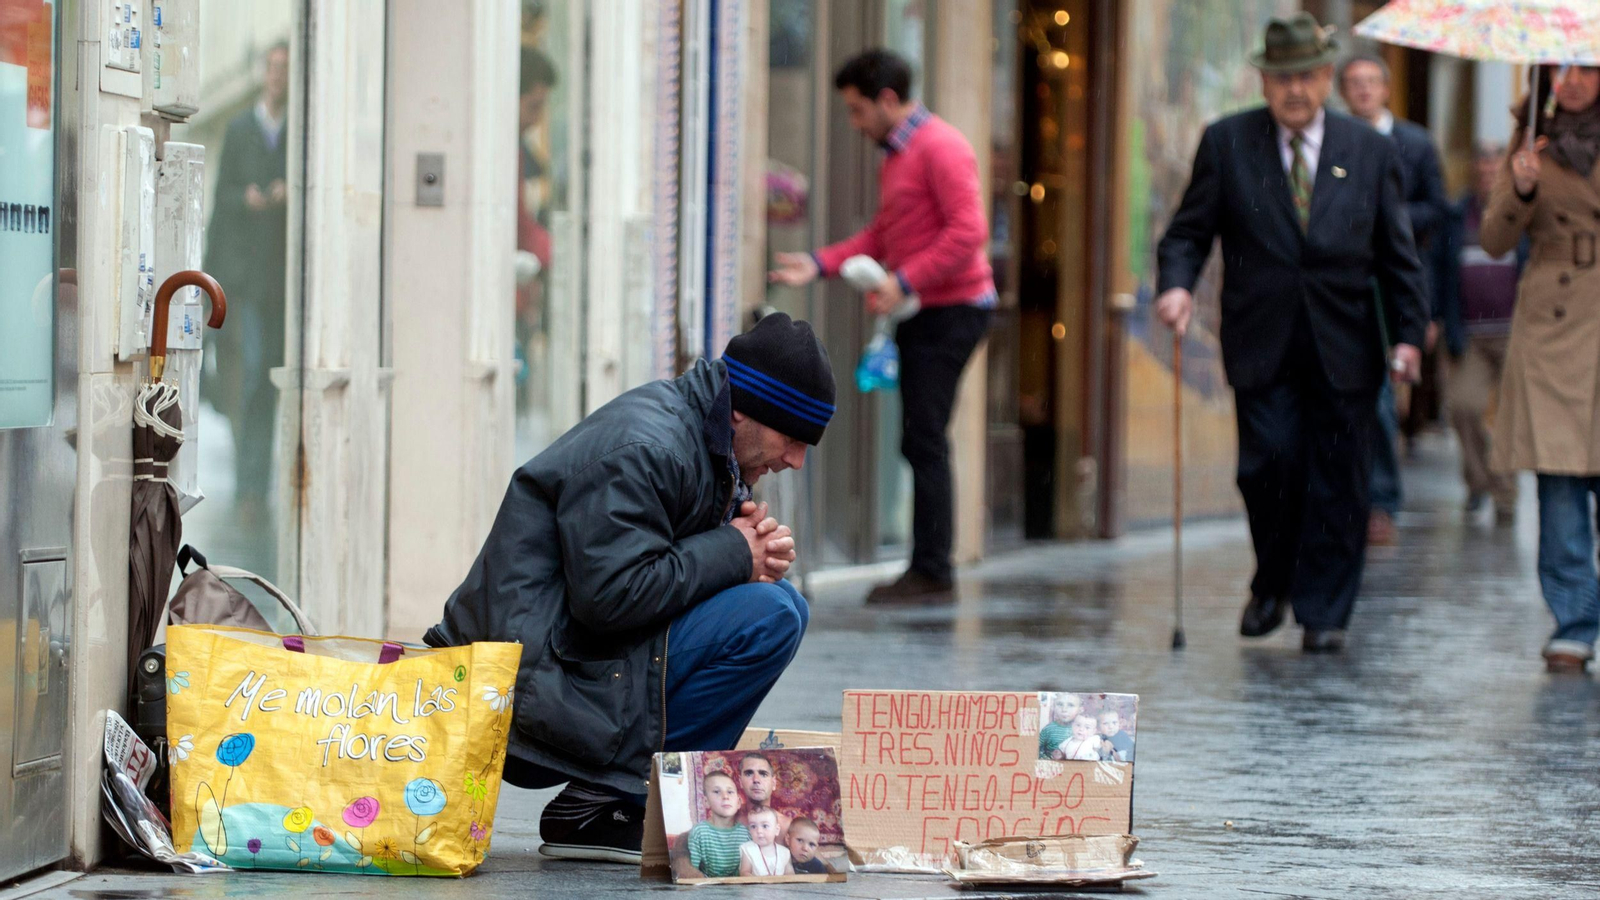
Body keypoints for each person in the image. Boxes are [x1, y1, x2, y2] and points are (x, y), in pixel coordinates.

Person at [426, 312, 834, 863]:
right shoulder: (650, 446)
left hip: (567, 664)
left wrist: (744, 558)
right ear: (742, 410)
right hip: (526, 686)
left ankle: (614, 797)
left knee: (780, 605)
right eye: (791, 439)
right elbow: (611, 597)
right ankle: (614, 800)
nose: (796, 460)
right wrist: (735, 552)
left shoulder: (700, 440)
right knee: (772, 615)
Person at [1154, 13, 1428, 654]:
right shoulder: (1226, 143)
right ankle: (1273, 580)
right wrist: (1176, 286)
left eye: (1306, 75)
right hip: (1261, 337)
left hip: (1347, 342)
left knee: (1340, 476)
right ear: (1264, 81)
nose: (1295, 90)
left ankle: (1324, 611)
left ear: (1327, 76)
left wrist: (1409, 335)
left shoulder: (1370, 151)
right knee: (1268, 467)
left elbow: (1397, 254)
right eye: (1282, 78)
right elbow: (1189, 231)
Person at [769, 48, 994, 605]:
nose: (854, 123)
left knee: (925, 439)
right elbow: (883, 235)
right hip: (923, 309)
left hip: (952, 310)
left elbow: (969, 231)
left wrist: (906, 281)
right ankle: (930, 567)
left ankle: (934, 571)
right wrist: (819, 263)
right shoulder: (897, 154)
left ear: (887, 100)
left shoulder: (939, 146)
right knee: (920, 438)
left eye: (857, 110)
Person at [1481, 65, 1600, 674]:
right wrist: (1521, 188)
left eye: (1589, 68)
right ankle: (1574, 624)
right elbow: (1495, 239)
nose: (1575, 80)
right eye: (1564, 69)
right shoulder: (1532, 144)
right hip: (1555, 327)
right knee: (1559, 484)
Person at [1338, 52, 1448, 546]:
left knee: (1382, 398)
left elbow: (1438, 210)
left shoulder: (1415, 143)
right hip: (1342, 281)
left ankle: (1380, 501)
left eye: (1370, 82)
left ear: (1385, 89)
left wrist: (1390, 217)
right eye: (1353, 83)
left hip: (1392, 283)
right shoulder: (1331, 140)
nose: (1362, 91)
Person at [202, 41, 290, 537]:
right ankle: (249, 486)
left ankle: (257, 484)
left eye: (284, 69)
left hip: (280, 286)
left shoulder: (295, 132)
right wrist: (248, 198)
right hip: (245, 285)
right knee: (251, 376)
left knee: (268, 383)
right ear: (263, 74)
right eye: (272, 69)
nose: (277, 77)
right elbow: (222, 202)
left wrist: (284, 195)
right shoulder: (240, 130)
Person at [1437, 142, 1523, 523]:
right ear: (1473, 171)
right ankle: (1478, 481)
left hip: (1515, 335)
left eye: (1494, 166)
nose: (1487, 172)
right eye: (1481, 166)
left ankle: (1505, 496)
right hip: (1470, 333)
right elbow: (1440, 272)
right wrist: (1438, 320)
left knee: (1509, 419)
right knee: (1464, 406)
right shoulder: (1456, 216)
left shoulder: (1520, 212)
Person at [680, 770, 745, 879]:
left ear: (738, 802)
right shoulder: (699, 832)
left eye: (730, 792)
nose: (725, 796)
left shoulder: (746, 833)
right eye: (716, 791)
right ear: (706, 802)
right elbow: (691, 872)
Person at [734, 752, 792, 836]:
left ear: (774, 783)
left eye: (763, 774)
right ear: (740, 782)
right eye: (749, 773)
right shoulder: (728, 819)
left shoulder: (787, 827)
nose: (756, 780)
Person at [739, 807, 793, 876]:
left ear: (776, 830)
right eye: (753, 826)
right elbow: (744, 872)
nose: (759, 831)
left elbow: (790, 874)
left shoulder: (785, 852)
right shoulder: (748, 849)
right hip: (755, 886)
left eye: (764, 826)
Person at [1037, 693, 1081, 759]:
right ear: (1053, 707)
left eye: (1070, 705)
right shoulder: (1048, 729)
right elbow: (1035, 749)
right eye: (1060, 704)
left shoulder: (1082, 729)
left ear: (1080, 710)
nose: (1064, 709)